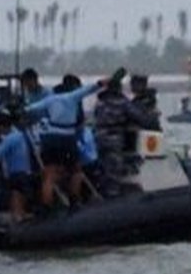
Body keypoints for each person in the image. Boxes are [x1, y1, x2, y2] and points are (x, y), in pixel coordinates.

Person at [23, 70, 120, 208]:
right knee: (76, 171)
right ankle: (74, 201)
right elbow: (92, 87)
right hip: (66, 138)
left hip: (49, 140)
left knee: (49, 175)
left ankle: (46, 208)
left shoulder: (49, 99)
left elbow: (30, 109)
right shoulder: (72, 97)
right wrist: (107, 80)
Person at [92, 77, 160, 196]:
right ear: (119, 88)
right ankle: (113, 194)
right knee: (114, 166)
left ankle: (101, 191)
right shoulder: (122, 102)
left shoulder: (100, 102)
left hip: (98, 137)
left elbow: (96, 116)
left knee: (102, 165)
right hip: (113, 137)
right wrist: (152, 121)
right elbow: (139, 117)